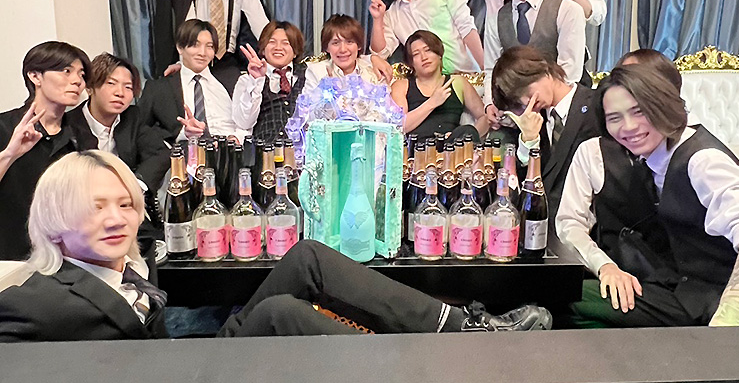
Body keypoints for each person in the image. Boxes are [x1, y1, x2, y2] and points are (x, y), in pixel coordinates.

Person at [0, 150, 552, 342]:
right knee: (282, 312)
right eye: (95, 207)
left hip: (194, 355)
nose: (117, 218)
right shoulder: (36, 300)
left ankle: (460, 329)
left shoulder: (127, 264)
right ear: (54, 220)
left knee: (306, 256)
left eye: (124, 204)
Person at [556, 64, 739, 328]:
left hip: (708, 301)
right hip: (671, 286)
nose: (629, 127)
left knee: (566, 299)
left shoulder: (702, 160)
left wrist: (730, 319)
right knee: (563, 294)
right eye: (614, 118)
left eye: (640, 111)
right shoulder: (652, 157)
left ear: (662, 105)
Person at [0, 41, 90, 260]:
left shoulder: (81, 135)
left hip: (67, 257)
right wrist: (10, 153)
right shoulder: (4, 127)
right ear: (35, 76)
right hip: (12, 256)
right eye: (66, 71)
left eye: (81, 74)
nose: (77, 81)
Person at [491, 45, 601, 222]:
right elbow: (520, 190)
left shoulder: (596, 105)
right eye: (518, 100)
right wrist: (528, 142)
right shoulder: (533, 120)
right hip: (540, 224)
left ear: (543, 71)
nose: (526, 101)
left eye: (526, 91)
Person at [485, 0, 586, 122]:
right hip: (515, 113)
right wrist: (490, 103)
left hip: (559, 112)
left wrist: (544, 107)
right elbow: (491, 68)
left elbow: (569, 70)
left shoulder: (567, 10)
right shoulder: (496, 19)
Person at [67, 53, 170, 196]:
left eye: (128, 87)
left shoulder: (133, 116)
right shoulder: (69, 124)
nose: (120, 93)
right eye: (111, 83)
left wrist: (136, 186)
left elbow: (160, 153)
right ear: (90, 88)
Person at [139, 20, 246, 144]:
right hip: (188, 151)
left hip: (232, 149)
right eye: (195, 45)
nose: (202, 53)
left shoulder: (232, 79)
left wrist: (237, 137)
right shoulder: (158, 89)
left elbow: (250, 120)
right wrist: (182, 134)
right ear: (180, 47)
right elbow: (140, 130)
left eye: (209, 46)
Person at [391, 30, 488, 141]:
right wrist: (432, 102)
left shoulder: (457, 82)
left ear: (439, 54)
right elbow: (399, 127)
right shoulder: (402, 86)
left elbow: (484, 117)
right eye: (416, 54)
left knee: (467, 130)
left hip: (451, 146)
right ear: (411, 63)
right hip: (416, 148)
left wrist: (468, 137)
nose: (424, 57)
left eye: (428, 50)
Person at [231, 21, 307, 142]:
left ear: (295, 51)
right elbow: (243, 123)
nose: (278, 48)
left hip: (303, 149)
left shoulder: (309, 76)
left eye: (286, 43)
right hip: (264, 149)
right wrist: (256, 80)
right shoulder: (246, 80)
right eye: (272, 42)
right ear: (263, 49)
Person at [302, 14, 392, 97]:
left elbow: (385, 105)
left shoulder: (373, 71)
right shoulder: (317, 72)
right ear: (327, 48)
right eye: (335, 43)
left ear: (359, 45)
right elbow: (307, 106)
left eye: (349, 42)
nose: (343, 49)